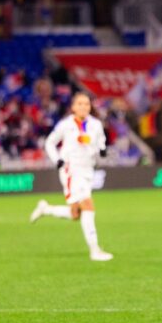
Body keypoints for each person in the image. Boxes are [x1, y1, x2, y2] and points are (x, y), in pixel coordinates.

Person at [29, 92, 113, 261]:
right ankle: (95, 250)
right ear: (73, 107)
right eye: (80, 104)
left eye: (86, 104)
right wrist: (57, 160)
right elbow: (50, 142)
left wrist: (102, 150)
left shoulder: (96, 125)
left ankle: (46, 209)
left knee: (76, 214)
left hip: (88, 170)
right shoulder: (65, 125)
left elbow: (101, 143)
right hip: (71, 170)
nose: (83, 107)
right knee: (88, 205)